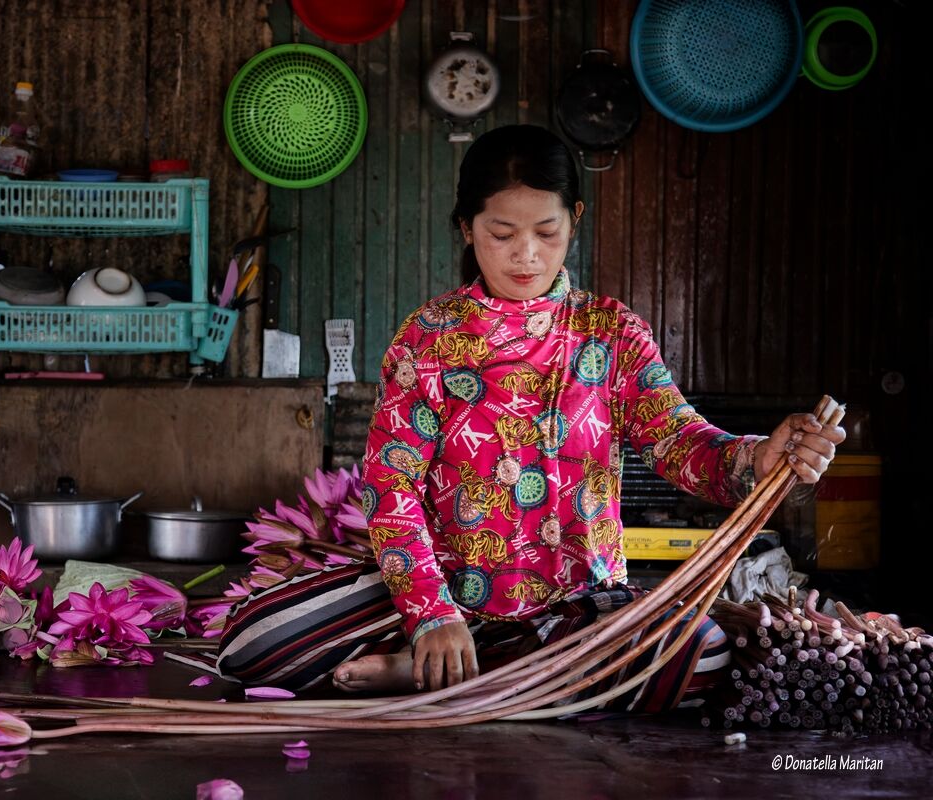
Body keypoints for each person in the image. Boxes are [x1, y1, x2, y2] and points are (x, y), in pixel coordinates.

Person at [216, 125, 844, 712]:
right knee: (254, 641)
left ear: (575, 220)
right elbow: (392, 484)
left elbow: (680, 442)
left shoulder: (611, 333)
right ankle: (484, 666)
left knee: (701, 654)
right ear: (466, 228)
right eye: (501, 233)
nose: (525, 255)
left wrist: (758, 457)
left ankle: (459, 674)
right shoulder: (430, 337)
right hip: (442, 592)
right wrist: (431, 613)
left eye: (546, 232)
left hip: (578, 607)